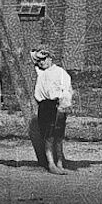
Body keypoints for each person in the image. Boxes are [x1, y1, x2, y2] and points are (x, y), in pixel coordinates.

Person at [31, 47, 73, 175]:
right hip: (45, 105)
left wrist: (64, 103)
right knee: (48, 136)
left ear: (50, 58)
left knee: (58, 136)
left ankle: (59, 162)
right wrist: (38, 54)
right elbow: (31, 56)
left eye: (44, 59)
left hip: (58, 104)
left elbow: (67, 89)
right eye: (39, 61)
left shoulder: (60, 72)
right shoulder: (40, 73)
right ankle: (51, 164)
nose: (41, 62)